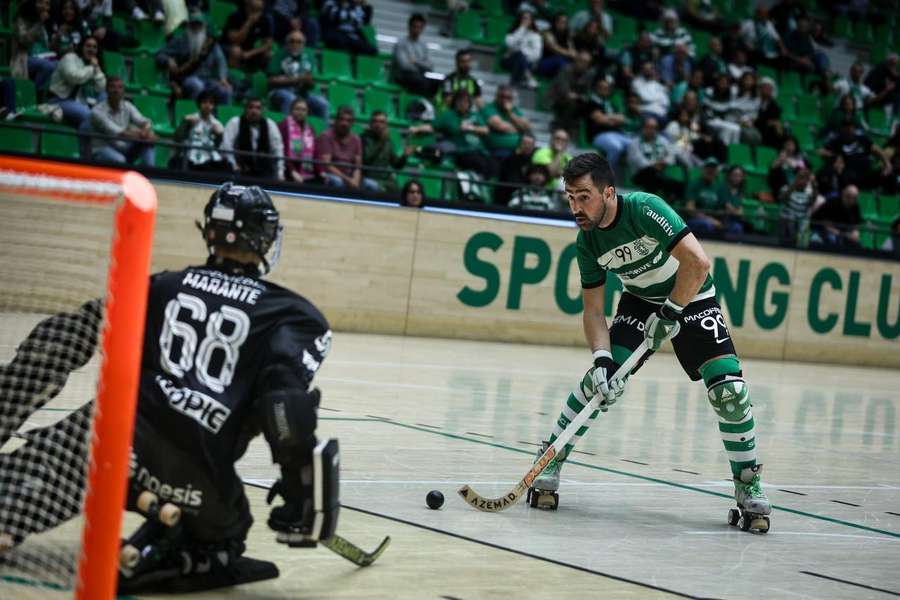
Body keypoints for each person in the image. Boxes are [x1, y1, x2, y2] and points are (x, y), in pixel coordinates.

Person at [0, 183, 339, 593]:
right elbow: (283, 405)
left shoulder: (160, 287)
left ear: (209, 232)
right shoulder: (295, 315)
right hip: (192, 473)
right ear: (265, 238)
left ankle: (13, 514)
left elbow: (61, 340)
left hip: (105, 449)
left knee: (18, 488)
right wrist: (298, 486)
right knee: (226, 530)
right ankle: (178, 551)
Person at [528, 152, 771, 532]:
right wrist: (602, 357)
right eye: (570, 197)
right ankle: (551, 456)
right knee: (601, 383)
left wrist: (672, 311)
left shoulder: (645, 209)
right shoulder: (587, 243)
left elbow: (698, 263)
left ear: (608, 192)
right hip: (640, 302)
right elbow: (593, 311)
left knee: (730, 392)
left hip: (691, 297)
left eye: (584, 196)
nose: (576, 206)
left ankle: (748, 483)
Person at [157, 9, 232, 105]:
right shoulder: (180, 40)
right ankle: (195, 114)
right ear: (188, 25)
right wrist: (168, 60)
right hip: (187, 78)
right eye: (193, 25)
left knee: (225, 91)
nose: (196, 28)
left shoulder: (210, 44)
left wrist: (223, 78)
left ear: (204, 26)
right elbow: (160, 54)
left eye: (198, 25)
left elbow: (221, 61)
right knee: (196, 86)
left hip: (208, 79)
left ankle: (221, 118)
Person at [89, 76, 157, 165]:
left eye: (120, 87)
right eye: (113, 87)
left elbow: (144, 121)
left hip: (123, 146)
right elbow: (118, 132)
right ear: (106, 90)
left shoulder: (127, 106)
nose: (116, 90)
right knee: (120, 160)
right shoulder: (96, 111)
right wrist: (144, 135)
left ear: (123, 91)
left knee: (148, 145)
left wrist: (146, 130)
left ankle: (149, 173)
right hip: (102, 148)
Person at [434, 89, 498, 180]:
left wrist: (470, 128)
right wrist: (416, 129)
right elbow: (432, 127)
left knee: (494, 167)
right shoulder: (448, 115)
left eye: (466, 101)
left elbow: (486, 130)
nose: (463, 104)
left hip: (479, 150)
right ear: (455, 102)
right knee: (480, 165)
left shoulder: (475, 115)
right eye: (460, 101)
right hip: (462, 151)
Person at [266, 30, 329, 118]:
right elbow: (271, 81)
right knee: (291, 99)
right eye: (292, 41)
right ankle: (288, 129)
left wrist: (309, 82)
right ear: (287, 43)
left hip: (301, 93)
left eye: (299, 42)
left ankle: (322, 131)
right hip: (279, 92)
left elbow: (311, 84)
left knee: (323, 103)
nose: (295, 45)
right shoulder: (279, 55)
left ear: (303, 45)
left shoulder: (308, 58)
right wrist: (297, 79)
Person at [315, 105, 378, 190]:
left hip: (349, 176)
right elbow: (327, 165)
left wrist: (355, 180)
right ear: (336, 121)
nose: (344, 123)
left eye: (348, 121)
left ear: (352, 123)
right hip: (331, 175)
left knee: (372, 185)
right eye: (341, 119)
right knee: (337, 182)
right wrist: (347, 180)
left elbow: (358, 166)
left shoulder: (356, 139)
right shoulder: (326, 136)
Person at [221, 96, 285, 180]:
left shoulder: (270, 124)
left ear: (262, 111)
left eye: (258, 108)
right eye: (251, 107)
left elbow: (278, 150)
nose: (254, 111)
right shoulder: (235, 122)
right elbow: (226, 146)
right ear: (245, 109)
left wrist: (280, 173)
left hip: (264, 174)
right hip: (240, 172)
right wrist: (233, 164)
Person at [48, 35, 105, 127]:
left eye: (94, 47)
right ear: (82, 47)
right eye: (88, 46)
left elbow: (100, 87)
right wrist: (92, 68)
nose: (91, 49)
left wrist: (97, 68)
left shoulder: (93, 65)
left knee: (104, 96)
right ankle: (83, 140)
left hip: (79, 101)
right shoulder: (70, 58)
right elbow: (74, 77)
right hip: (59, 100)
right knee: (88, 115)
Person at [625, 117, 684, 201]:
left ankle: (661, 199)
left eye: (654, 128)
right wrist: (656, 165)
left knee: (676, 184)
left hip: (658, 173)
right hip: (639, 174)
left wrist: (664, 162)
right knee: (652, 173)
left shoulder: (662, 141)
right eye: (648, 127)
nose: (651, 130)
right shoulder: (634, 142)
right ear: (643, 128)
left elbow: (671, 156)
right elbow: (640, 161)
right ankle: (663, 196)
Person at [172, 90, 228, 172]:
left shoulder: (217, 125)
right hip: (188, 157)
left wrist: (219, 135)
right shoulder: (189, 119)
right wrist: (184, 124)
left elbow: (219, 148)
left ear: (214, 106)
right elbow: (177, 138)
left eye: (211, 103)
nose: (207, 106)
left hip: (208, 160)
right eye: (205, 102)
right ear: (199, 104)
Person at [361, 110, 413, 193]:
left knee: (402, 192)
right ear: (370, 124)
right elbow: (366, 159)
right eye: (375, 121)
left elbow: (396, 165)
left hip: (385, 180)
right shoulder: (363, 139)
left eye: (382, 122)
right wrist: (381, 142)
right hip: (368, 177)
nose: (378, 125)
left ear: (386, 125)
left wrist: (405, 156)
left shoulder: (388, 142)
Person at [11, 0, 57, 91]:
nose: (44, 6)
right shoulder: (21, 19)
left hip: (43, 57)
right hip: (24, 57)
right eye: (41, 2)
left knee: (59, 64)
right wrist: (39, 23)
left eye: (47, 4)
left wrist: (58, 37)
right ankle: (32, 93)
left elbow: (46, 46)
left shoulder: (45, 22)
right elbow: (24, 40)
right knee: (48, 66)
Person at [392, 13, 437, 97]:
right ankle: (417, 105)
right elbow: (404, 65)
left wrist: (415, 61)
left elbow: (430, 66)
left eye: (420, 27)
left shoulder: (423, 45)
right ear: (409, 26)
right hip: (403, 75)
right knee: (421, 81)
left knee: (436, 82)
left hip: (419, 75)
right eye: (414, 26)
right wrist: (421, 66)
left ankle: (425, 105)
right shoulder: (401, 43)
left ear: (423, 28)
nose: (417, 29)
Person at [222, 0, 274, 72]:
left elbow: (268, 45)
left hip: (248, 50)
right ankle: (229, 73)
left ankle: (251, 76)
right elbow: (236, 40)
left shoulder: (265, 19)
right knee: (236, 50)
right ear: (247, 7)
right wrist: (248, 23)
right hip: (228, 46)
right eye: (254, 10)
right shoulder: (237, 15)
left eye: (259, 10)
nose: (257, 14)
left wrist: (250, 53)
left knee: (269, 54)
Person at [482, 85, 532, 160]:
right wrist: (519, 128)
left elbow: (527, 127)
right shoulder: (489, 108)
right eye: (502, 96)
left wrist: (510, 113)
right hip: (498, 150)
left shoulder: (514, 110)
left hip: (518, 150)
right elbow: (500, 126)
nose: (505, 100)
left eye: (508, 97)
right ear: (496, 96)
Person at [278, 97, 317, 183]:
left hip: (306, 171)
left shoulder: (310, 129)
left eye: (303, 110)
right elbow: (281, 152)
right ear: (291, 110)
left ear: (307, 112)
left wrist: (321, 172)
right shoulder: (283, 126)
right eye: (297, 109)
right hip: (287, 170)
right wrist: (292, 171)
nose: (300, 112)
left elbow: (315, 152)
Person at [502, 9, 543, 89]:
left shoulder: (536, 36)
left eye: (527, 19)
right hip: (509, 60)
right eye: (523, 18)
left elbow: (537, 55)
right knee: (519, 55)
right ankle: (529, 78)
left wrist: (523, 54)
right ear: (520, 19)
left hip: (527, 62)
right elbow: (509, 44)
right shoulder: (513, 31)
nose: (525, 21)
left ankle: (512, 85)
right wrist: (521, 29)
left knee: (520, 57)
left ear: (531, 21)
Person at [777, 166, 817, 246]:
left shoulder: (810, 192)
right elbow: (781, 198)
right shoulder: (787, 188)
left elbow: (811, 203)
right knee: (789, 219)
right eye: (801, 177)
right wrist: (794, 186)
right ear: (796, 178)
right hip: (788, 219)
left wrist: (813, 185)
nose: (803, 181)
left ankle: (801, 246)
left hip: (801, 220)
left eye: (806, 179)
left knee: (805, 222)